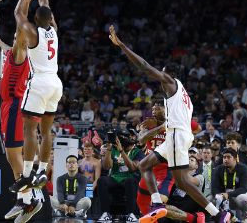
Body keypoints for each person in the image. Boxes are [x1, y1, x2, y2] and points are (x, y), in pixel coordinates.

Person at [107, 25, 230, 223]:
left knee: (163, 173)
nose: (159, 78)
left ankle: (158, 203)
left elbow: (145, 66)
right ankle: (218, 214)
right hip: (180, 136)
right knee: (155, 169)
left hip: (176, 135)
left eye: (162, 74)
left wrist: (121, 45)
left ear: (169, 74)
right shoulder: (183, 95)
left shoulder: (171, 82)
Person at [9, 0, 62, 223]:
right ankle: (41, 172)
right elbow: (45, 5)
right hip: (56, 82)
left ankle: (27, 175)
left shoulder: (31, 31)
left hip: (39, 82)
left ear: (35, 19)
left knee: (29, 129)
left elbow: (19, 14)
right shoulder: (53, 29)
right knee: (47, 130)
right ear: (50, 18)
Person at [0, 0, 32, 220]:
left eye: (18, 39)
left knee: (14, 157)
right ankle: (24, 200)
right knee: (11, 158)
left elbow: (21, 22)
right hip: (8, 107)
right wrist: (0, 43)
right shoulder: (12, 54)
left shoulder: (20, 53)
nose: (15, 41)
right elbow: (9, 48)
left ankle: (28, 200)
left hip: (15, 106)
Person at [136, 100, 201, 217]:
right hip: (149, 169)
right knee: (141, 202)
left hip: (166, 169)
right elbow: (141, 139)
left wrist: (183, 123)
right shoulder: (149, 123)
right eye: (153, 109)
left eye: (157, 109)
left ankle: (193, 219)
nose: (154, 111)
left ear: (166, 110)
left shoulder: (177, 120)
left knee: (157, 205)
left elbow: (198, 129)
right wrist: (162, 127)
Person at [97, 129, 144, 222]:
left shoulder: (138, 152)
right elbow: (106, 167)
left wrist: (122, 151)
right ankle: (105, 214)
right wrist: (109, 148)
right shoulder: (114, 150)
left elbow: (133, 168)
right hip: (115, 179)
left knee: (130, 180)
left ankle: (131, 214)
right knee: (101, 180)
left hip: (129, 179)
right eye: (127, 136)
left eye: (132, 136)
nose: (130, 137)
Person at [211, 148, 247, 223]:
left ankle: (245, 217)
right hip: (225, 197)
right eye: (224, 157)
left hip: (241, 195)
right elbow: (214, 187)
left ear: (235, 159)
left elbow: (244, 188)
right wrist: (219, 195)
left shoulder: (244, 168)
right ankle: (220, 216)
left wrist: (228, 194)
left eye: (228, 157)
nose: (225, 160)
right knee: (209, 199)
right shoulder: (219, 169)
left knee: (242, 198)